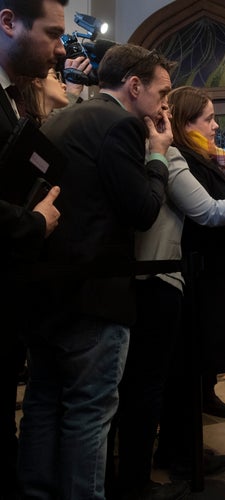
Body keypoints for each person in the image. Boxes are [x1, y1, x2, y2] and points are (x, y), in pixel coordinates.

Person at [109, 87, 225, 498]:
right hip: (188, 277)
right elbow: (208, 213)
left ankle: (173, 451)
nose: (215, 126)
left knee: (175, 376)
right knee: (167, 378)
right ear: (185, 121)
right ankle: (166, 460)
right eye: (208, 118)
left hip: (200, 275)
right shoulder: (176, 156)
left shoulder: (195, 157)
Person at [16, 43, 175, 499]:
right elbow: (142, 210)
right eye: (160, 91)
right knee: (90, 411)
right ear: (134, 86)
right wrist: (159, 155)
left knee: (44, 404)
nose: (164, 102)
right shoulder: (120, 124)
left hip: (48, 289)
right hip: (94, 295)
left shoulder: (64, 116)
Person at [0, 0, 64, 497]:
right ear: (8, 23)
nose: (60, 49)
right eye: (52, 33)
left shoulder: (11, 97)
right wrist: (33, 221)